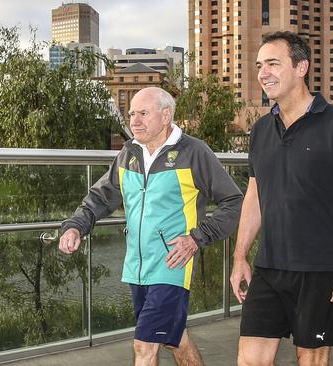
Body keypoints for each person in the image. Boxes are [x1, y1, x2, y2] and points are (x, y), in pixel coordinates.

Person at [59, 86, 243, 366]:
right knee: (175, 339)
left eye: (143, 113)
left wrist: (197, 238)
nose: (134, 120)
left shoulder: (193, 152)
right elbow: (100, 198)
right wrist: (75, 227)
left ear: (166, 115)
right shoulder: (129, 154)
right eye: (132, 113)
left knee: (144, 345)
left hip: (172, 267)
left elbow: (234, 201)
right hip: (137, 268)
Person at [230, 31, 333, 366]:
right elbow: (255, 196)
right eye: (260, 65)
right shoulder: (261, 130)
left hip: (320, 268)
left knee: (310, 360)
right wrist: (239, 257)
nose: (264, 72)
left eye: (274, 63)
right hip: (269, 266)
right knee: (249, 360)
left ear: (301, 67)